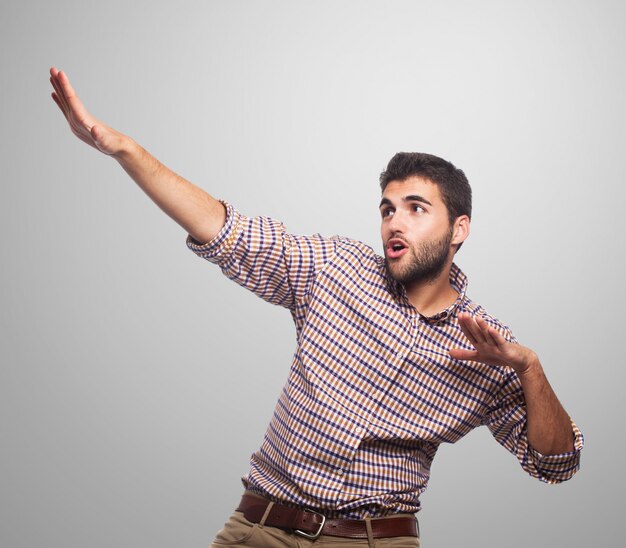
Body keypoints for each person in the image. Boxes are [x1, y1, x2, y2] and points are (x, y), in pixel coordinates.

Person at [49, 67, 583, 547]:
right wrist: (126, 151)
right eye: (387, 209)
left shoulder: (488, 345)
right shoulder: (335, 268)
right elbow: (226, 231)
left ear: (458, 229)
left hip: (375, 541)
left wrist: (531, 371)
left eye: (416, 209)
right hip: (262, 528)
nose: (394, 223)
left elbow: (557, 464)